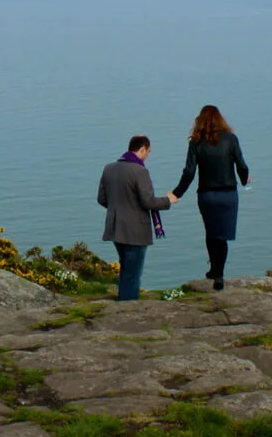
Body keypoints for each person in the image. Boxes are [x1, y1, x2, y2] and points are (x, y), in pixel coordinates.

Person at [171, 105, 251, 290]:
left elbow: (189, 172)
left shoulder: (196, 142)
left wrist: (177, 193)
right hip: (228, 194)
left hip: (206, 194)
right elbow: (242, 165)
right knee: (221, 236)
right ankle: (219, 275)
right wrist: (244, 180)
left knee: (211, 233)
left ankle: (213, 271)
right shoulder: (231, 139)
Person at [97, 135, 180, 301]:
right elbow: (148, 201)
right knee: (133, 272)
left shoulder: (109, 168)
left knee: (126, 268)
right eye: (148, 152)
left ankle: (123, 301)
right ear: (141, 149)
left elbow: (102, 199)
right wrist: (168, 200)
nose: (148, 156)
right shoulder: (140, 171)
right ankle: (129, 307)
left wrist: (120, 210)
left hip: (115, 228)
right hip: (135, 230)